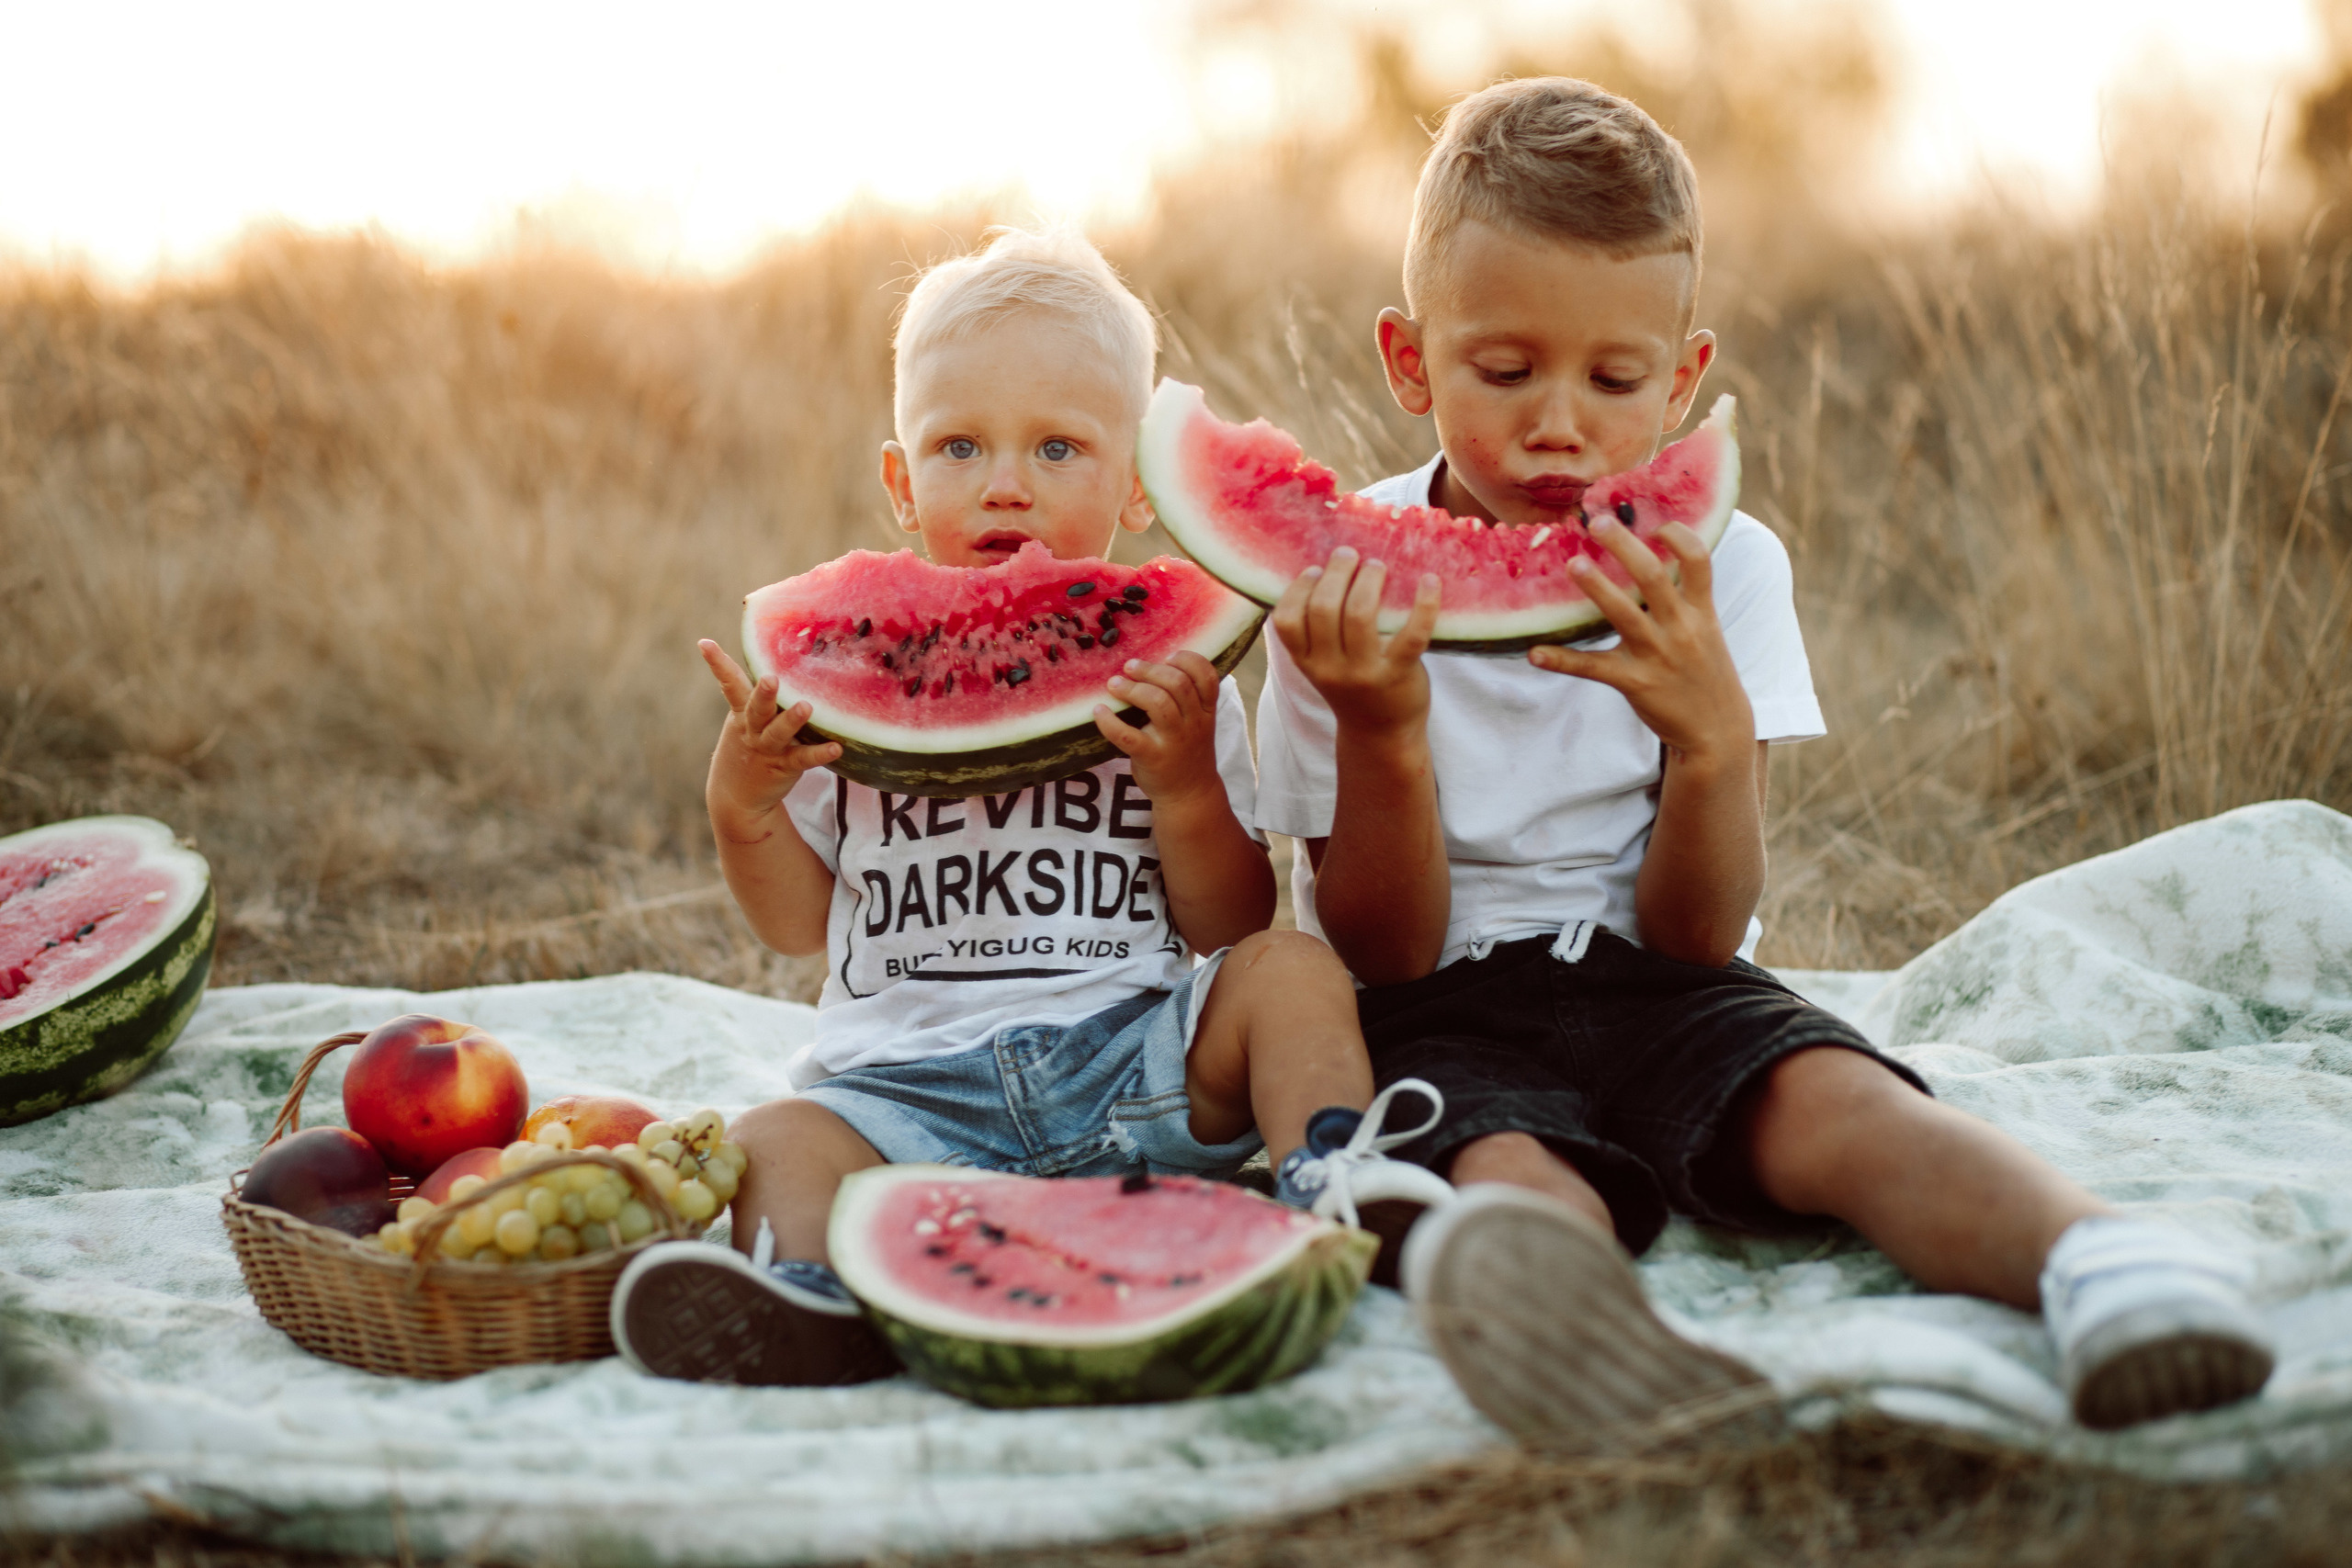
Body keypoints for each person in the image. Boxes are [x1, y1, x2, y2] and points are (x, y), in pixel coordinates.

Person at [1252, 78, 2275, 1444]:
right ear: (1409, 359)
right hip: (1439, 1003)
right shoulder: (1333, 588)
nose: (1560, 422)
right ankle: (1600, 1354)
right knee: (1501, 1163)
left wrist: (1712, 738)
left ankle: (2103, 1264)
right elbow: (1385, 952)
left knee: (1842, 1104)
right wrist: (1382, 729)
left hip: (1670, 982)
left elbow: (1699, 929)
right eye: (1504, 371)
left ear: (1682, 379)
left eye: (1615, 381)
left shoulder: (1725, 563)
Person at [610, 228, 1447, 1387]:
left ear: (1139, 487)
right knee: (776, 1139)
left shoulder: (1180, 686)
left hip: (1136, 1070)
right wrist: (740, 800)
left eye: (1058, 447)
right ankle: (806, 1295)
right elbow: (794, 926)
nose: (1006, 483)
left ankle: (1338, 1175)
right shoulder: (836, 694)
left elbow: (1227, 924)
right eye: (959, 446)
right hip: (903, 1101)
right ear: (901, 484)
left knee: (1290, 972)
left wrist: (1185, 785)